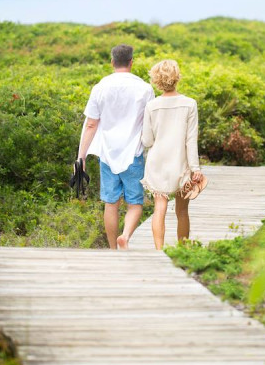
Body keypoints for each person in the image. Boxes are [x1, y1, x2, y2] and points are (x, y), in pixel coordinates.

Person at [77, 44, 154, 250]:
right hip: (134, 153)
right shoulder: (145, 88)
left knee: (111, 204)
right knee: (135, 203)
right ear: (131, 62)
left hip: (107, 154)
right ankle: (126, 236)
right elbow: (150, 123)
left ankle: (113, 249)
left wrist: (81, 157)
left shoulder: (100, 87)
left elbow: (91, 124)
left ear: (112, 62)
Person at [141, 59, 203, 250]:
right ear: (177, 77)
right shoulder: (189, 104)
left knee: (159, 208)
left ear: (156, 80)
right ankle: (183, 250)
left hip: (157, 163)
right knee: (182, 211)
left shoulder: (152, 106)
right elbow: (191, 141)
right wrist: (196, 169)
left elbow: (147, 141)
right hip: (181, 164)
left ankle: (159, 251)